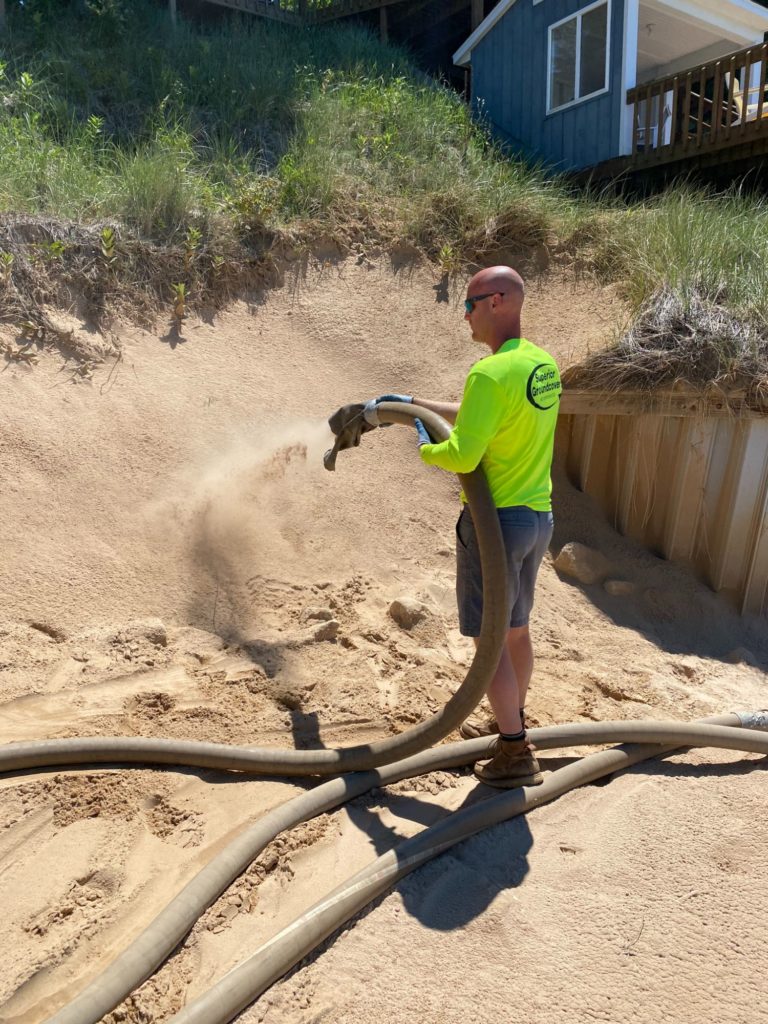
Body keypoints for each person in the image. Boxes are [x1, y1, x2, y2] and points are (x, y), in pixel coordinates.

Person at [364, 266, 561, 788]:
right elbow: (484, 415)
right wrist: (419, 406)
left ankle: (515, 750)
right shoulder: (539, 365)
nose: (465, 315)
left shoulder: (489, 373)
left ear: (497, 302)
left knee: (489, 642)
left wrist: (422, 445)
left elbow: (463, 452)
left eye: (470, 304)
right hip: (537, 518)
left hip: (493, 525)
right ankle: (513, 718)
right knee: (516, 630)